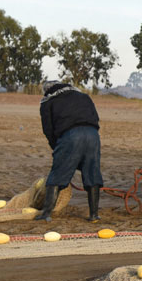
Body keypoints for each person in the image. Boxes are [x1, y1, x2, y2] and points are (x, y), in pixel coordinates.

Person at [37, 81, 104, 222]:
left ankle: (46, 214)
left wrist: (57, 148)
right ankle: (94, 215)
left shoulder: (47, 102)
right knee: (92, 173)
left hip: (70, 136)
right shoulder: (84, 97)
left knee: (57, 174)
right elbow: (96, 118)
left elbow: (48, 129)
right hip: (93, 135)